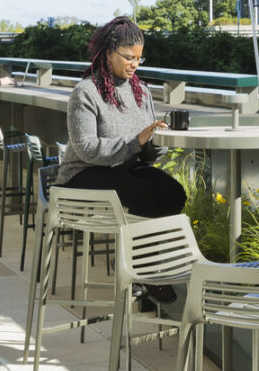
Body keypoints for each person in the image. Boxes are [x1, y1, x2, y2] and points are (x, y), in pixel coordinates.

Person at [55, 16, 185, 220]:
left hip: (124, 169)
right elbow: (86, 149)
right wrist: (136, 142)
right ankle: (139, 250)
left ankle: (147, 248)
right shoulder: (86, 92)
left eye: (138, 58)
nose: (135, 65)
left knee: (174, 193)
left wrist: (156, 142)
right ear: (109, 54)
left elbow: (147, 156)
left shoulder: (141, 91)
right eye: (129, 57)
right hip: (84, 172)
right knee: (145, 196)